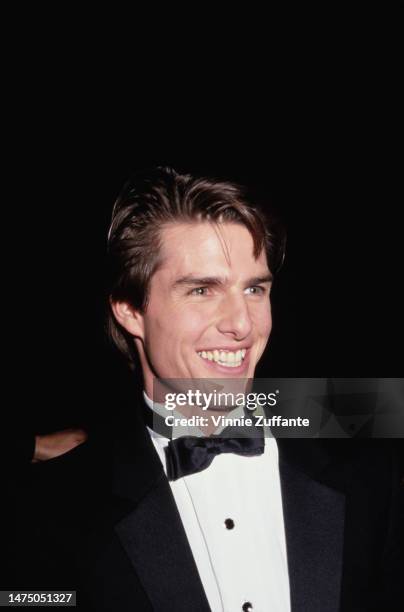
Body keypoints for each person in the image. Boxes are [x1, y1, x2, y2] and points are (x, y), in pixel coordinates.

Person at [5, 167, 403, 611]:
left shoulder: (371, 471)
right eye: (201, 290)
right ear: (130, 311)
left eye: (254, 289)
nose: (241, 324)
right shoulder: (47, 511)